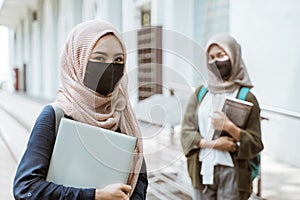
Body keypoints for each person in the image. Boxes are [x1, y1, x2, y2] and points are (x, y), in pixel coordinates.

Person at [13, 20, 148, 200]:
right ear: (77, 61)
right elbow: (26, 188)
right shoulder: (55, 116)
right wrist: (95, 196)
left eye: (118, 60)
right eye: (99, 58)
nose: (110, 67)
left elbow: (139, 178)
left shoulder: (123, 116)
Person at [180, 34, 263, 200]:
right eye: (211, 57)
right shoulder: (201, 93)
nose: (215, 62)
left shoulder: (246, 96)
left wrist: (229, 127)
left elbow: (255, 143)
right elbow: (186, 133)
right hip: (202, 170)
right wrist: (214, 144)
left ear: (234, 56)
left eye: (221, 55)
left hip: (234, 173)